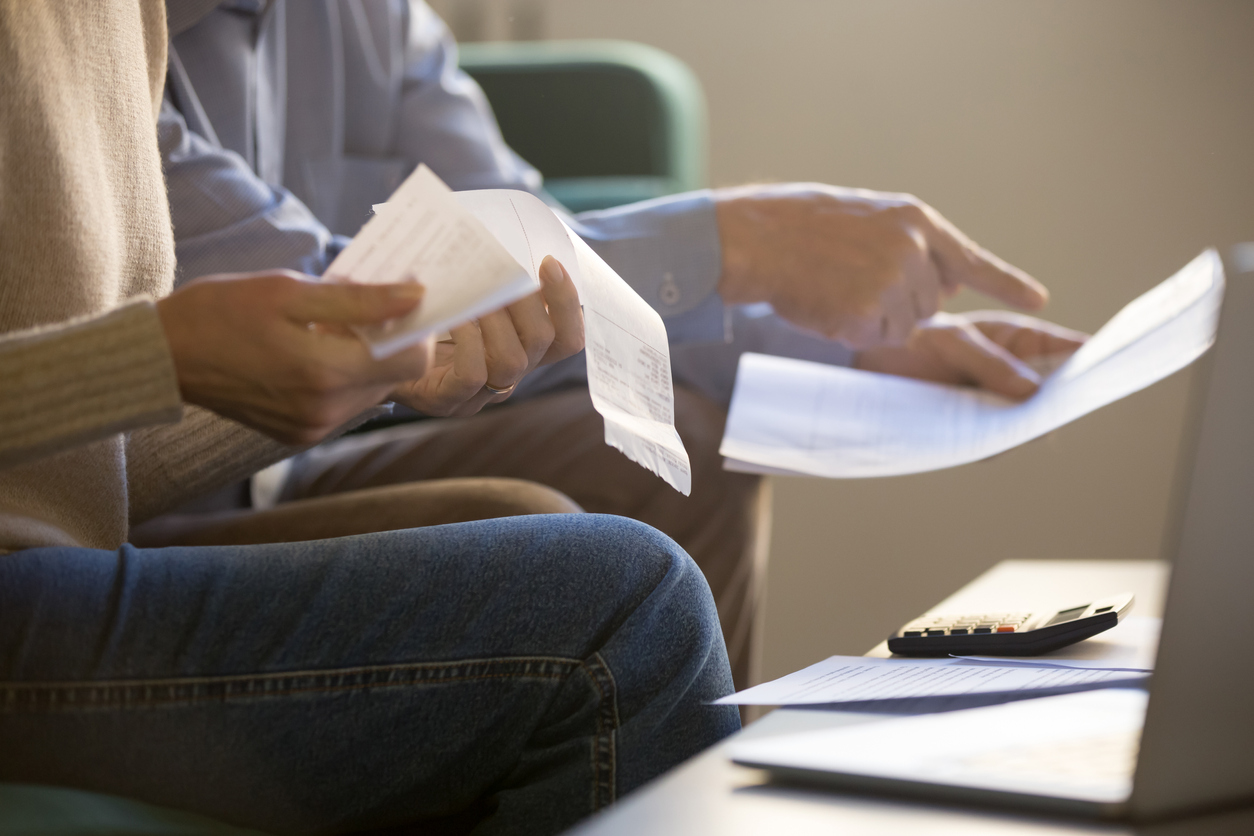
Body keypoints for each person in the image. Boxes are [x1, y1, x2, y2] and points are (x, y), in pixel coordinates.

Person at [149, 0, 1088, 688]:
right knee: (580, 556)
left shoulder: (375, 20)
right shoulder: (89, 45)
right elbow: (333, 317)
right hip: (132, 505)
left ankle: (676, 801)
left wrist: (847, 344)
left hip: (282, 472)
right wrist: (743, 244)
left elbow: (543, 273)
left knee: (675, 451)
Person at [0, 3, 739, 833]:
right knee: (626, 604)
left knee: (588, 531)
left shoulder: (118, 20)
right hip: (39, 592)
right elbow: (142, 371)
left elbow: (79, 471)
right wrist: (156, 362)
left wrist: (364, 374)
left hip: (69, 566)